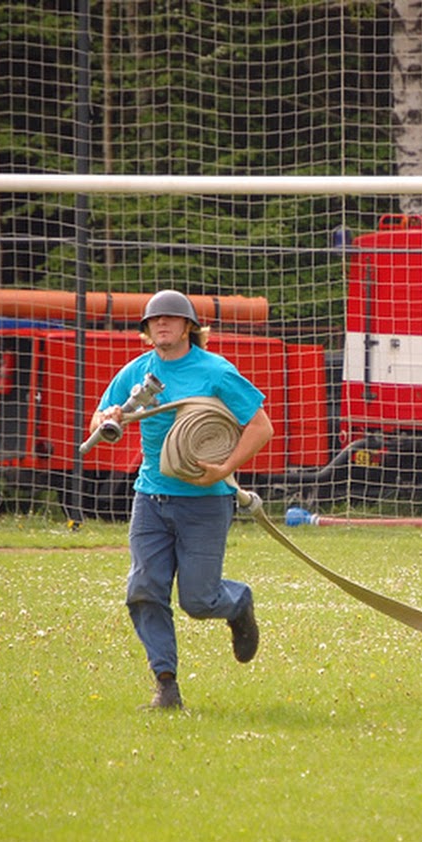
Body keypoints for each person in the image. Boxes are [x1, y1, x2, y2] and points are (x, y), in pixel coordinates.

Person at [89, 290, 274, 710]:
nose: (162, 325)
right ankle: (166, 686)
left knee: (198, 599)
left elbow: (261, 427)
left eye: (172, 319)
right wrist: (107, 417)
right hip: (150, 498)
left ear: (190, 326)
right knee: (144, 590)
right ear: (146, 330)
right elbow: (100, 417)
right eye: (155, 321)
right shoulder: (136, 371)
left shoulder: (216, 371)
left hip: (206, 502)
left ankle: (238, 604)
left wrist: (225, 469)